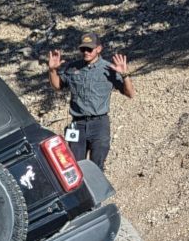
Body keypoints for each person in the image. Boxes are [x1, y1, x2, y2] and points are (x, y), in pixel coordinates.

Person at [46, 32, 136, 171]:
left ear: (99, 49)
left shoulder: (108, 68)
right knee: (76, 167)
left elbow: (130, 93)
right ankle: (81, 193)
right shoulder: (73, 68)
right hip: (78, 125)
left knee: (96, 167)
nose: (86, 52)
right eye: (83, 49)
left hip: (99, 125)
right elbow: (57, 86)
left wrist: (125, 74)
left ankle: (97, 191)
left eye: (90, 49)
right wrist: (52, 70)